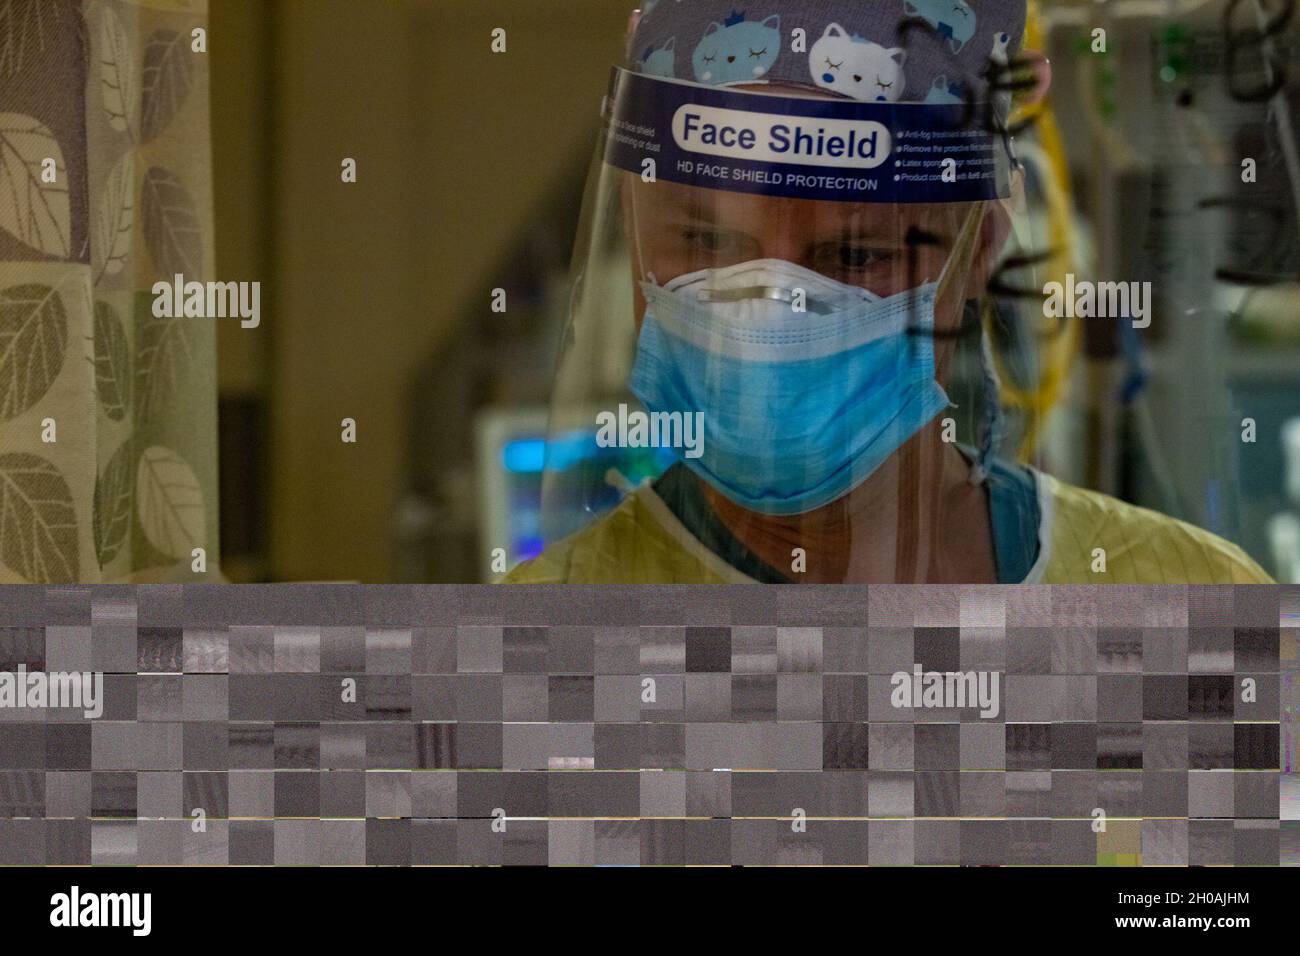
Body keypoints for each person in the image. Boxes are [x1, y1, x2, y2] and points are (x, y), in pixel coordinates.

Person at [505, 0, 1272, 584]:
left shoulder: (1179, 602)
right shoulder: (531, 657)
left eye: (854, 252)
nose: (770, 306)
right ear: (634, 228)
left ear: (979, 255)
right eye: (708, 242)